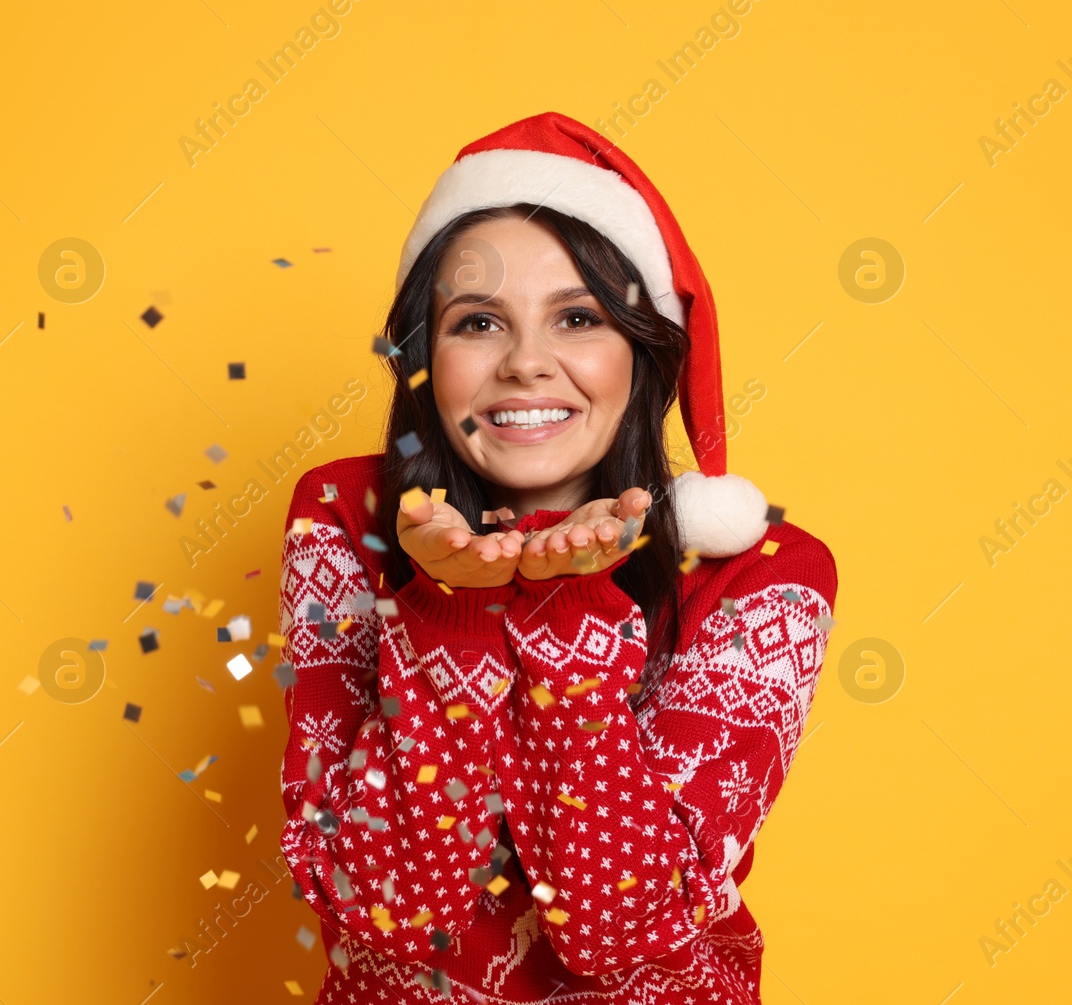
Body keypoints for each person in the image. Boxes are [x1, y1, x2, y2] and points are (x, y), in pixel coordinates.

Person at [277, 112, 838, 1003]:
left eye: (577, 317)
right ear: (426, 358)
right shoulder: (350, 519)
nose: (527, 364)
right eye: (478, 323)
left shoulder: (768, 573)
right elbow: (384, 905)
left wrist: (561, 608)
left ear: (641, 351)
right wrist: (447, 612)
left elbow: (616, 923)